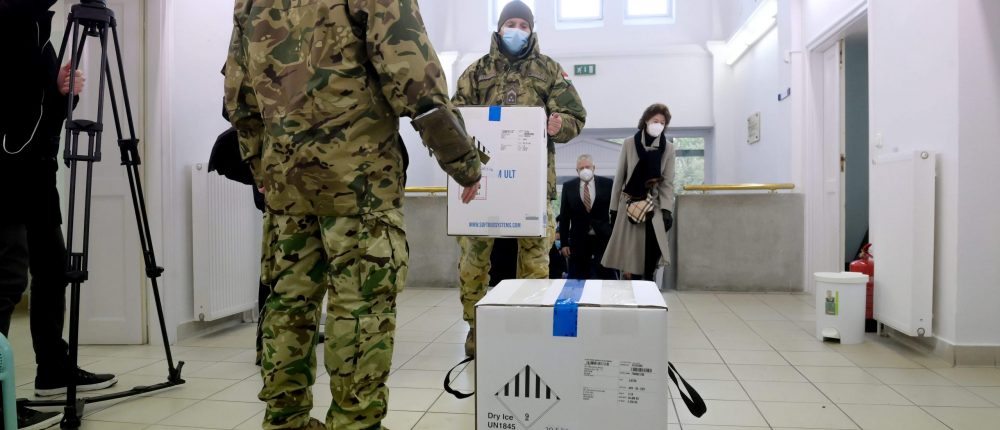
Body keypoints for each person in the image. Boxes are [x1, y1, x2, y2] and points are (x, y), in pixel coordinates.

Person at [224, 0, 482, 429]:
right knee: (361, 310)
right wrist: (464, 164)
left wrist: (258, 164)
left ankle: (285, 421)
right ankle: (355, 423)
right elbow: (415, 79)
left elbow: (239, 94)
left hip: (287, 184)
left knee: (288, 308)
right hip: (360, 184)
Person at [0, 0, 118, 428]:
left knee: (52, 267)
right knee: (7, 278)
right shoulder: (11, 22)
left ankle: (52, 370)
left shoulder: (39, 33)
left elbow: (41, 110)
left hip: (36, 172)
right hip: (6, 171)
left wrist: (62, 90)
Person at [453, 0, 586, 357]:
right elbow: (453, 120)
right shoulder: (476, 72)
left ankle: (531, 329)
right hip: (481, 184)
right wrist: (463, 165)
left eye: (523, 25)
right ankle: (477, 330)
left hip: (532, 186)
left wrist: (560, 125)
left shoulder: (549, 70)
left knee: (536, 262)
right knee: (473, 262)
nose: (516, 30)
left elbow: (575, 115)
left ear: (531, 30)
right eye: (510, 24)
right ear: (499, 29)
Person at [602, 104, 676, 282]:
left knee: (651, 257)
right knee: (632, 260)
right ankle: (633, 292)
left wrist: (667, 210)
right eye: (655, 121)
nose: (659, 125)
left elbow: (667, 183)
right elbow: (620, 178)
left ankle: (649, 289)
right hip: (631, 205)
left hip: (654, 207)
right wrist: (613, 209)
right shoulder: (629, 143)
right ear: (646, 121)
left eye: (662, 123)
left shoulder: (668, 148)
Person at [558, 154, 615, 280]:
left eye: (587, 167)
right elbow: (564, 217)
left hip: (603, 239)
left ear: (594, 168)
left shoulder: (608, 184)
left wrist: (614, 236)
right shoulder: (568, 187)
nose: (585, 170)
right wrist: (564, 243)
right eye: (581, 168)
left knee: (604, 276)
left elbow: (614, 212)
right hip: (578, 241)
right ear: (577, 170)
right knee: (578, 278)